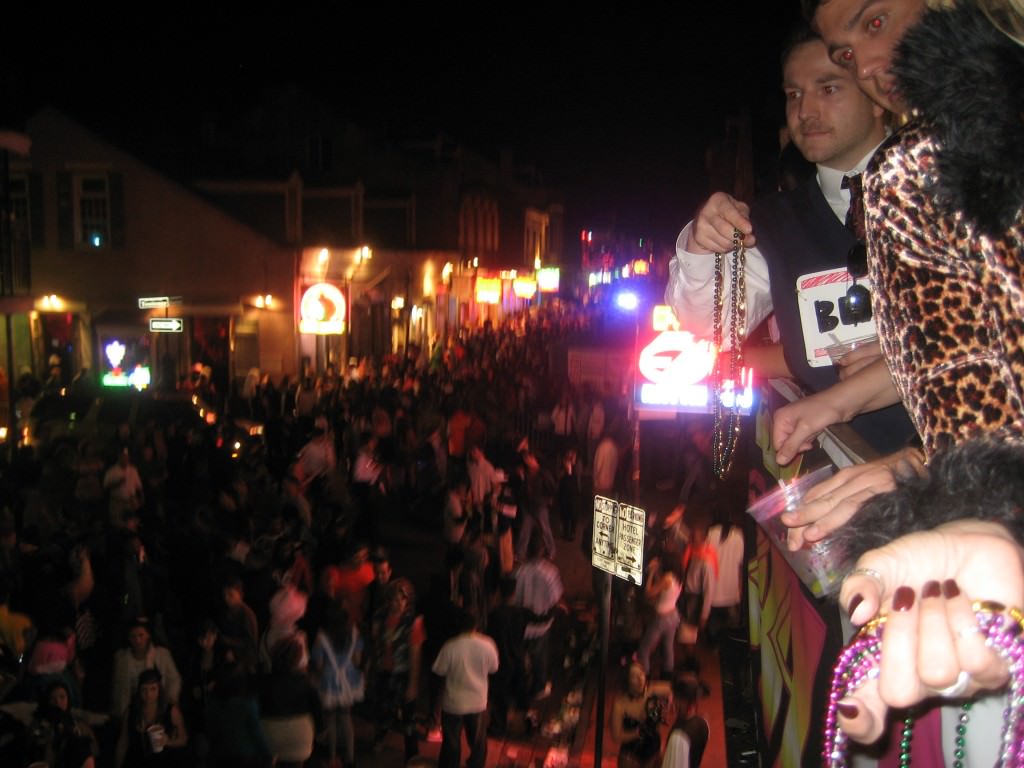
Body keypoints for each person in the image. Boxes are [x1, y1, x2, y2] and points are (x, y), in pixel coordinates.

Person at [778, 0, 1024, 762]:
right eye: (841, 53)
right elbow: (981, 356)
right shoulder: (913, 164)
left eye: (874, 24)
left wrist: (938, 474)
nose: (865, 63)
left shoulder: (922, 165)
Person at [664, 21, 916, 457]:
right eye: (793, 94)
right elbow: (710, 323)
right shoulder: (772, 222)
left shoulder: (947, 189)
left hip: (968, 461)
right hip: (844, 468)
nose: (805, 111)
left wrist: (908, 350)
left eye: (829, 88)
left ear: (878, 96)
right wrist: (701, 246)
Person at [430, 607, 499, 768]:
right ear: (476, 625)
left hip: (453, 702)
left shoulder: (450, 646)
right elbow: (494, 668)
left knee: (451, 743)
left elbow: (438, 670)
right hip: (478, 701)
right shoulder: (488, 644)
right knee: (478, 742)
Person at [513, 530, 564, 701]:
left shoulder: (520, 572)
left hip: (524, 625)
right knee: (539, 658)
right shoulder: (550, 572)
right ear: (542, 550)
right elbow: (555, 598)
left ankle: (522, 686)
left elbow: (516, 599)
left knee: (523, 656)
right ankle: (538, 687)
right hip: (542, 624)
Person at [110, 616, 183, 724]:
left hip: (157, 708)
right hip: (131, 710)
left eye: (141, 635)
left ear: (148, 635)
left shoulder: (162, 655)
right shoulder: (121, 659)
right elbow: (118, 687)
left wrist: (170, 701)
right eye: (133, 636)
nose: (137, 640)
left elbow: (175, 679)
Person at [114, 667, 189, 768]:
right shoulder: (131, 712)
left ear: (159, 689)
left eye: (153, 689)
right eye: (144, 689)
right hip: (137, 762)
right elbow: (123, 742)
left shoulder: (171, 711)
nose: (148, 694)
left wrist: (168, 742)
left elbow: (183, 739)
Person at [610, 661, 673, 768]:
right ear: (627, 681)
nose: (640, 679)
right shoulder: (620, 705)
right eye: (635, 677)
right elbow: (616, 735)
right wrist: (636, 733)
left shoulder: (653, 690)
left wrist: (671, 701)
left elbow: (675, 688)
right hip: (631, 756)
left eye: (641, 674)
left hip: (655, 752)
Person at [635, 555, 683, 679]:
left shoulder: (667, 578)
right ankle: (667, 677)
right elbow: (663, 587)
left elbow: (649, 593)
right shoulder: (677, 576)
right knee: (668, 647)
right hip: (673, 615)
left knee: (644, 649)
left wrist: (651, 573)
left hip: (662, 619)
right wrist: (656, 572)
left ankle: (644, 677)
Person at [660, 674, 710, 768]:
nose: (672, 701)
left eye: (675, 697)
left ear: (682, 701)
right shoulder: (703, 723)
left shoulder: (678, 737)